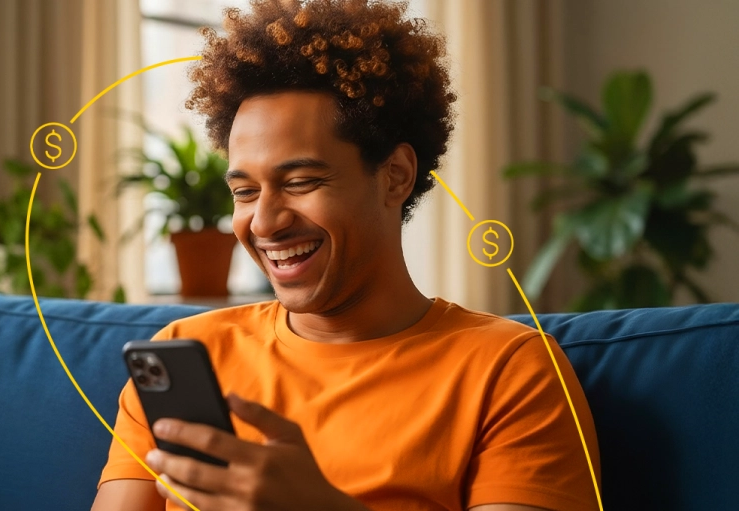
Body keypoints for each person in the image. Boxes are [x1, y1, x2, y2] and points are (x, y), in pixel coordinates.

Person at [90, 1, 600, 510]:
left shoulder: (509, 370)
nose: (264, 222)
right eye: (245, 192)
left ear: (395, 175)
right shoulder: (185, 352)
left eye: (302, 182)